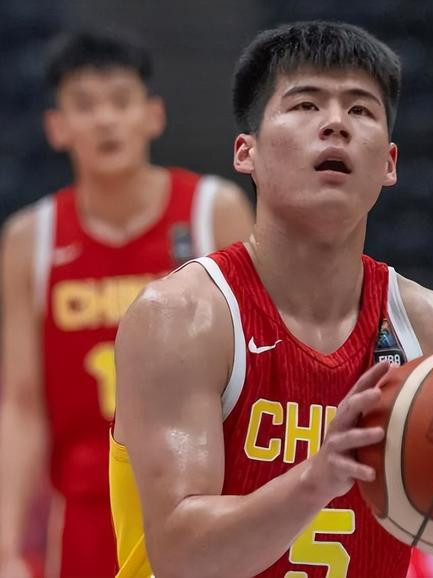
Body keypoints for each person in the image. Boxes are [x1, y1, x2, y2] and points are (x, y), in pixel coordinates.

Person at [110, 21, 433, 578]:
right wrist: (318, 478)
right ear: (247, 152)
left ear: (388, 163)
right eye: (306, 105)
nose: (336, 123)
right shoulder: (184, 318)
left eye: (361, 110)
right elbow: (181, 558)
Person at [0, 30, 253, 578]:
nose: (106, 121)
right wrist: (6, 544)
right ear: (57, 127)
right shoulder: (29, 240)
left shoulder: (215, 212)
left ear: (153, 116)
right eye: (85, 105)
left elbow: (257, 368)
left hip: (198, 502)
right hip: (83, 514)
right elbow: (20, 405)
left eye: (120, 101)